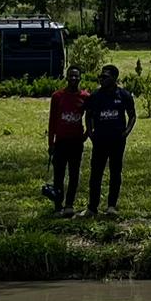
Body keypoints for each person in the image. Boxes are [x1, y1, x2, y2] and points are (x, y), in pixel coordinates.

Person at [80, 65, 136, 213]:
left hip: (117, 140)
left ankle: (111, 205)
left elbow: (132, 115)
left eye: (105, 77)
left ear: (114, 78)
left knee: (115, 172)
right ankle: (92, 207)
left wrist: (126, 132)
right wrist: (90, 132)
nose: (101, 79)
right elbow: (89, 114)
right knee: (96, 173)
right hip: (100, 140)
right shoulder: (96, 96)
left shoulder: (124, 95)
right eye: (101, 76)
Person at [46, 66, 88, 215]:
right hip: (61, 141)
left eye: (76, 76)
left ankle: (69, 204)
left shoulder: (85, 97)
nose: (73, 79)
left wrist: (86, 135)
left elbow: (90, 118)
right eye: (71, 76)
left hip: (76, 142)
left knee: (74, 174)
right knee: (59, 175)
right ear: (66, 77)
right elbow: (52, 121)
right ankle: (58, 205)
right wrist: (51, 143)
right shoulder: (57, 96)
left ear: (80, 78)